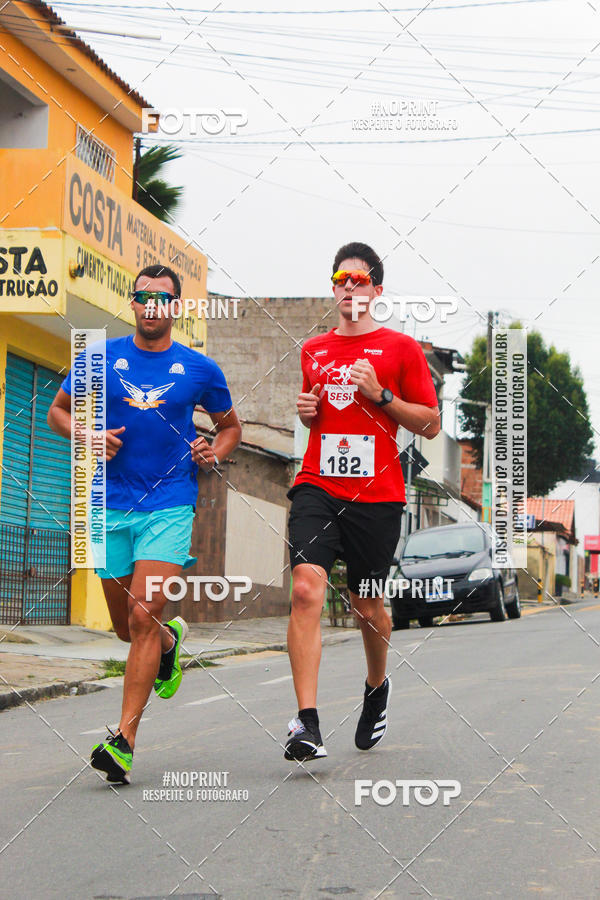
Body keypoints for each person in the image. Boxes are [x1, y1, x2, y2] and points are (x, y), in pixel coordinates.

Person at [48, 264, 241, 783]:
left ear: (175, 307)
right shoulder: (99, 357)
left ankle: (123, 741)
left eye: (163, 297)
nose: (152, 305)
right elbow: (58, 412)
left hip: (171, 505)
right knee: (125, 628)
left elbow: (230, 429)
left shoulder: (200, 369)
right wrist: (87, 436)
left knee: (141, 617)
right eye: (143, 296)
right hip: (108, 505)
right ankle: (170, 644)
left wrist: (212, 452)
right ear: (132, 303)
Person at [284, 242, 440, 761]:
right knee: (306, 588)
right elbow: (317, 416)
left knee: (367, 605)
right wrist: (307, 412)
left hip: (377, 496)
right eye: (340, 278)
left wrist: (382, 396)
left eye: (359, 279)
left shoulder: (401, 350)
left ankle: (377, 687)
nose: (349, 286)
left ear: (376, 289)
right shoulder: (313, 350)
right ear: (333, 287)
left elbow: (432, 425)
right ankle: (306, 722)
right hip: (317, 485)